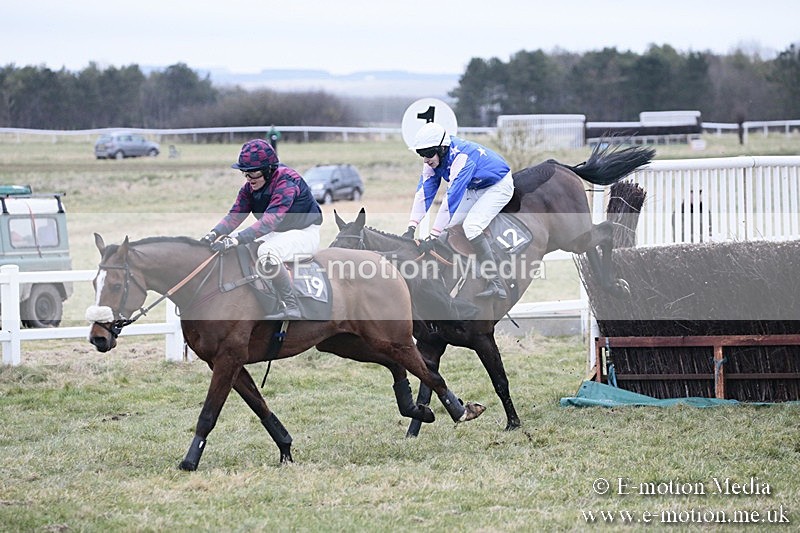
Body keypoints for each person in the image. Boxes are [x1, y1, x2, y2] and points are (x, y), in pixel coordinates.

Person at [200, 139, 322, 319]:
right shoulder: (249, 188)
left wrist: (236, 239)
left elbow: (270, 221)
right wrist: (213, 234)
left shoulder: (287, 182)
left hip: (304, 232)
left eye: (253, 173)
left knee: (267, 252)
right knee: (235, 245)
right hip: (277, 232)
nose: (249, 179)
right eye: (245, 173)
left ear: (269, 169)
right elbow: (235, 215)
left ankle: (291, 305)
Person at [402, 122, 514, 299]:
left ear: (442, 149)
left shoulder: (461, 158)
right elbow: (424, 194)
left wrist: (432, 236)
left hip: (498, 185)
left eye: (428, 153)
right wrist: (410, 227)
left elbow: (450, 201)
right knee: (448, 227)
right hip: (475, 188)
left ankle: (496, 282)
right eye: (421, 154)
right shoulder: (432, 161)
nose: (425, 159)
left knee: (472, 227)